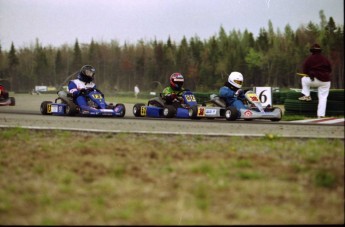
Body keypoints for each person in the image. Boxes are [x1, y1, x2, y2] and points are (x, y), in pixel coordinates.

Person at [298, 43, 332, 118]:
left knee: (303, 79)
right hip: (326, 81)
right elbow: (330, 70)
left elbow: (305, 71)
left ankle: (307, 95)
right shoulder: (325, 59)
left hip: (314, 79)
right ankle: (321, 115)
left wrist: (311, 74)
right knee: (323, 98)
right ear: (320, 51)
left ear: (312, 51)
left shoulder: (309, 59)